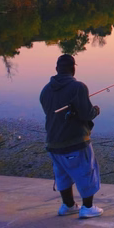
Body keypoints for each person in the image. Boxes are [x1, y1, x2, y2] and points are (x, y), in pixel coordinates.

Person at [39, 54, 103, 218]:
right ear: (73, 68)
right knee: (86, 172)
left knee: (62, 175)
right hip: (75, 141)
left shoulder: (45, 90)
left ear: (57, 69)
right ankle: (87, 208)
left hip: (53, 143)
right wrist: (95, 110)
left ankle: (68, 206)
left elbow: (52, 113)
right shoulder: (78, 87)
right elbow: (86, 114)